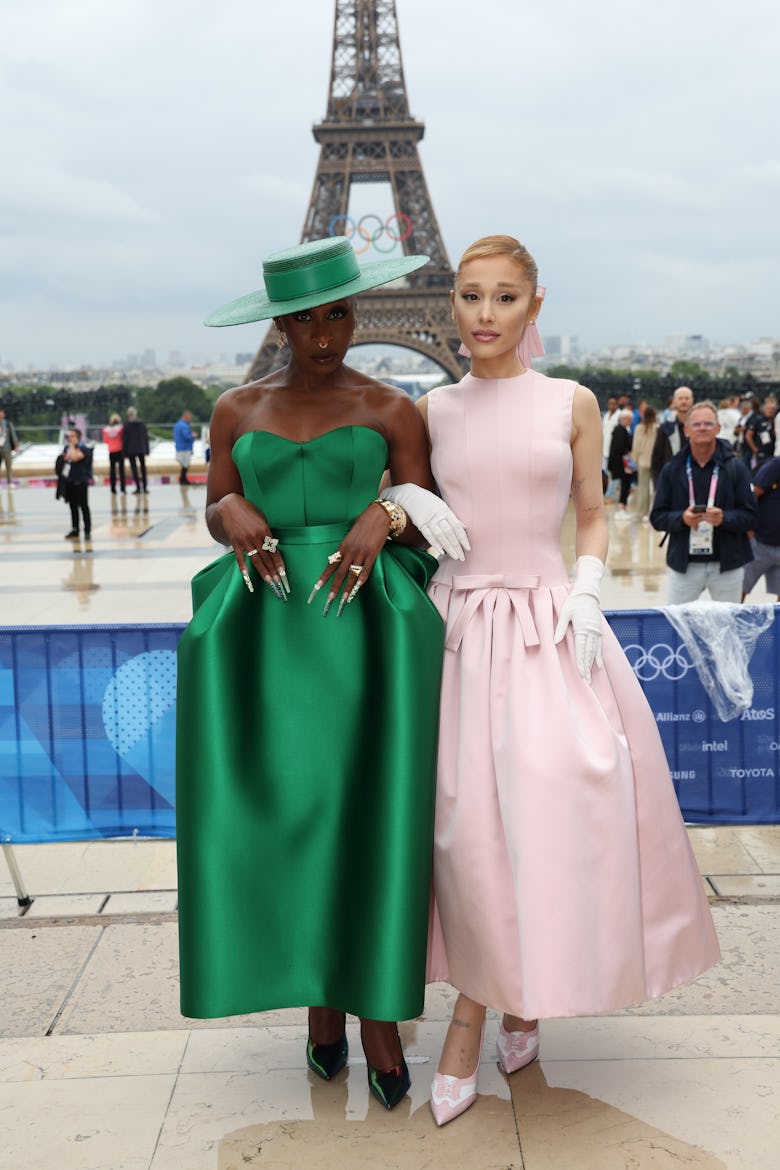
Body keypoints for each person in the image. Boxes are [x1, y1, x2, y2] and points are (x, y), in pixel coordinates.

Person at [401, 234, 719, 1127]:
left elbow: (591, 512)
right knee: (468, 834)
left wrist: (585, 591)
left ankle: (516, 1000)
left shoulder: (571, 401)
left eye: (505, 297)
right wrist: (403, 499)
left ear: (535, 305)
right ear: (451, 304)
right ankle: (481, 1011)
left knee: (548, 816)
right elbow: (406, 512)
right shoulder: (430, 409)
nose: (485, 314)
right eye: (471, 296)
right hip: (459, 629)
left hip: (549, 626)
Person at [175, 236, 461, 1111]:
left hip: (362, 632)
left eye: (338, 313)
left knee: (363, 816)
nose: (325, 334)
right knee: (288, 820)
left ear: (357, 312)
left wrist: (386, 513)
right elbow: (216, 510)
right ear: (279, 324)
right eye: (304, 319)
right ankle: (320, 1002)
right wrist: (228, 507)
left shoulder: (392, 408)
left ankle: (374, 1014)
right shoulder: (234, 408)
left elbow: (432, 521)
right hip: (265, 636)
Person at [650, 399, 757, 603]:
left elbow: (751, 516)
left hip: (728, 564)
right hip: (684, 564)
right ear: (686, 430)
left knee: (727, 621)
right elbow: (657, 517)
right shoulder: (672, 469)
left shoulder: (736, 467)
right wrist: (682, 519)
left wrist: (724, 518)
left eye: (708, 423)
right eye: (696, 424)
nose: (702, 428)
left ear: (718, 428)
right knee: (678, 620)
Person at [742, 454, 780, 601]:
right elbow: (753, 493)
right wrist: (749, 530)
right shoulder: (776, 465)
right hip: (760, 542)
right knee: (740, 589)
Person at [651, 384, 693, 486]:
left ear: (692, 401)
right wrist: (657, 484)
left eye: (687, 398)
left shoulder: (700, 426)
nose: (684, 401)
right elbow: (657, 458)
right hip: (672, 480)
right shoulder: (665, 428)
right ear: (674, 402)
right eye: (680, 398)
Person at [59, 427, 92, 540]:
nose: (70, 438)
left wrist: (72, 447)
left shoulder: (84, 449)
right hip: (70, 481)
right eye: (68, 436)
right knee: (73, 506)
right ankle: (75, 529)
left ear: (78, 437)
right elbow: (65, 458)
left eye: (72, 436)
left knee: (83, 506)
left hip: (80, 481)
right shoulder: (67, 448)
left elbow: (74, 457)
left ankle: (87, 530)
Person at [630, 402, 659, 518]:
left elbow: (635, 446)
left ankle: (642, 512)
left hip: (642, 461)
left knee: (643, 487)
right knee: (657, 488)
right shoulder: (658, 428)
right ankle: (656, 511)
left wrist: (634, 459)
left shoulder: (638, 428)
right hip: (656, 461)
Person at [607, 408, 635, 513]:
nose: (631, 421)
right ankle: (621, 506)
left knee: (624, 484)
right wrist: (628, 452)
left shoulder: (623, 429)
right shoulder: (620, 430)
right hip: (621, 463)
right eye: (630, 419)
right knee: (624, 484)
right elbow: (619, 447)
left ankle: (622, 505)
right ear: (625, 419)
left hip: (621, 462)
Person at [744, 396, 777, 470]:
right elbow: (748, 435)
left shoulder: (775, 420)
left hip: (773, 451)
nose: (770, 411)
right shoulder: (758, 419)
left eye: (772, 409)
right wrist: (755, 449)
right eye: (768, 409)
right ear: (764, 409)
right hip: (762, 452)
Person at [124, 406, 150, 494]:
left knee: (134, 469)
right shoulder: (142, 423)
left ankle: (138, 487)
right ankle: (145, 487)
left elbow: (125, 439)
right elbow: (145, 436)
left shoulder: (126, 424)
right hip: (141, 448)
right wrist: (147, 449)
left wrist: (124, 452)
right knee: (143, 468)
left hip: (131, 449)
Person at [102, 412, 126, 494]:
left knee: (112, 471)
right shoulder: (121, 428)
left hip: (111, 451)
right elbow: (123, 438)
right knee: (121, 470)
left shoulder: (106, 430)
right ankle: (123, 488)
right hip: (120, 450)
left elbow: (105, 441)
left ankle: (113, 488)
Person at [173, 410, 195, 484]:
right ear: (186, 417)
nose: (190, 419)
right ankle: (183, 480)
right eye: (190, 417)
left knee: (184, 465)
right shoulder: (184, 426)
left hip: (179, 447)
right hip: (185, 448)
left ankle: (183, 479)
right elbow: (186, 437)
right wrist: (192, 435)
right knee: (186, 465)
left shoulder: (178, 424)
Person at [0, 408, 19, 488]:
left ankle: (10, 482)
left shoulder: (7, 424)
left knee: (8, 466)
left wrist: (16, 445)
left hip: (6, 448)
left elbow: (13, 435)